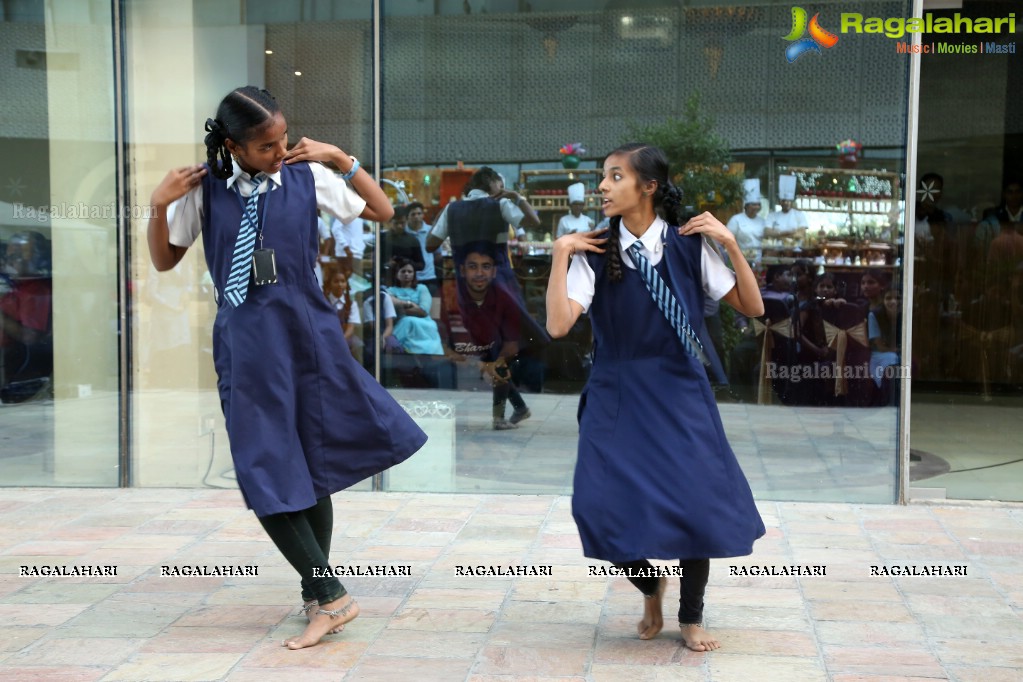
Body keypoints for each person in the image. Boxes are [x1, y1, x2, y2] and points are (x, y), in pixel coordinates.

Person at [146, 86, 427, 650]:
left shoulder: (307, 173)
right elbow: (163, 259)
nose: (279, 150)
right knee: (263, 470)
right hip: (248, 340)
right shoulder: (204, 190)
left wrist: (340, 158)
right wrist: (158, 205)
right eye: (266, 145)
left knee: (311, 460)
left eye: (282, 137)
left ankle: (320, 597)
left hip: (310, 332)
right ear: (234, 146)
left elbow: (383, 210)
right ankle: (328, 594)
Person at [546, 143, 766, 651]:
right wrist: (561, 254)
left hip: (679, 390)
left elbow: (751, 306)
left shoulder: (691, 245)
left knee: (696, 505)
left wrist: (730, 243)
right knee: (596, 505)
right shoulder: (595, 250)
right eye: (604, 176)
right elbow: (559, 325)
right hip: (616, 390)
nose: (603, 185)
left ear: (648, 186)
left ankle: (691, 617)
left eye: (615, 176)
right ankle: (650, 585)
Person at [454, 241, 532, 430]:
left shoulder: (505, 297)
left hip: (506, 342)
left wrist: (494, 362)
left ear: (494, 271)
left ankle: (499, 418)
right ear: (463, 270)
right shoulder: (462, 293)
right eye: (473, 267)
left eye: (486, 267)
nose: (479, 273)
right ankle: (520, 408)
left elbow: (511, 343)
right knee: (498, 371)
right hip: (486, 340)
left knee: (500, 371)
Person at [387, 258, 444, 355]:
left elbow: (423, 311)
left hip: (425, 323)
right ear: (397, 274)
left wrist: (400, 306)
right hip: (402, 322)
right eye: (403, 271)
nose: (406, 274)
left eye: (410, 271)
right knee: (407, 321)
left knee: (409, 321)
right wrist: (409, 304)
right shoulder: (391, 290)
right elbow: (390, 304)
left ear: (414, 274)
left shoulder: (422, 288)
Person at [868, 287, 902, 405]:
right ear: (883, 299)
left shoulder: (904, 315)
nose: (893, 302)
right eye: (889, 298)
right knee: (892, 363)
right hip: (880, 354)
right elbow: (880, 346)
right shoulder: (875, 315)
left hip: (898, 351)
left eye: (897, 298)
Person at [405, 202, 441, 298]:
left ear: (423, 215)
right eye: (413, 214)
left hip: (429, 277)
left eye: (419, 214)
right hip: (409, 278)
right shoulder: (404, 233)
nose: (416, 217)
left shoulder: (431, 231)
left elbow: (438, 254)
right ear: (407, 217)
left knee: (432, 308)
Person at [725, 178, 766, 259]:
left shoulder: (762, 221)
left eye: (758, 204)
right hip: (741, 258)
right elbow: (727, 239)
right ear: (746, 206)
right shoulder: (736, 219)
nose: (756, 207)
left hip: (758, 260)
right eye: (753, 205)